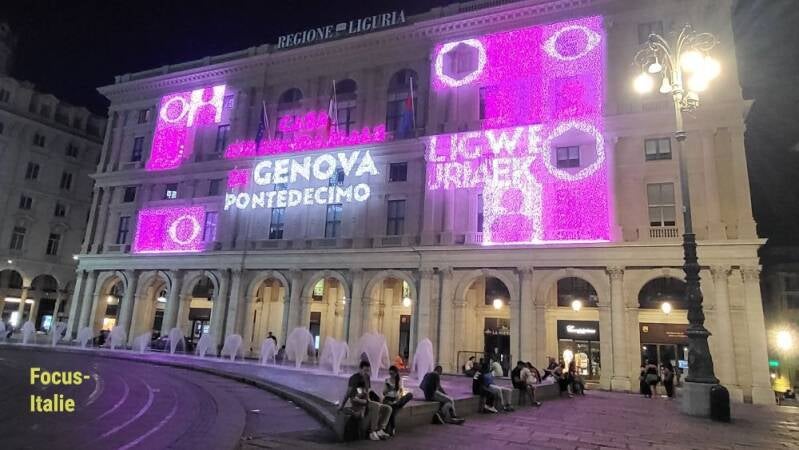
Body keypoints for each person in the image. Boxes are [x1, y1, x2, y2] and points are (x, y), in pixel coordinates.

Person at [339, 360, 392, 441]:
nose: (366, 372)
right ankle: (372, 432)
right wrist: (342, 405)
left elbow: (367, 392)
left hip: (366, 401)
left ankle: (380, 429)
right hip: (357, 403)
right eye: (365, 370)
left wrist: (371, 399)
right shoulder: (354, 378)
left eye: (368, 370)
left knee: (388, 408)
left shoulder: (367, 377)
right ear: (360, 369)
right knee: (376, 406)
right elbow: (349, 394)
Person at [382, 365, 413, 436]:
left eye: (392, 374)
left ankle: (395, 404)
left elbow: (401, 392)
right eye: (390, 373)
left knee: (410, 394)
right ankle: (392, 428)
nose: (391, 375)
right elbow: (383, 393)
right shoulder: (387, 380)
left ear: (396, 373)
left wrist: (397, 399)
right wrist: (388, 389)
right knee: (392, 408)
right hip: (388, 399)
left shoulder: (399, 380)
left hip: (397, 400)